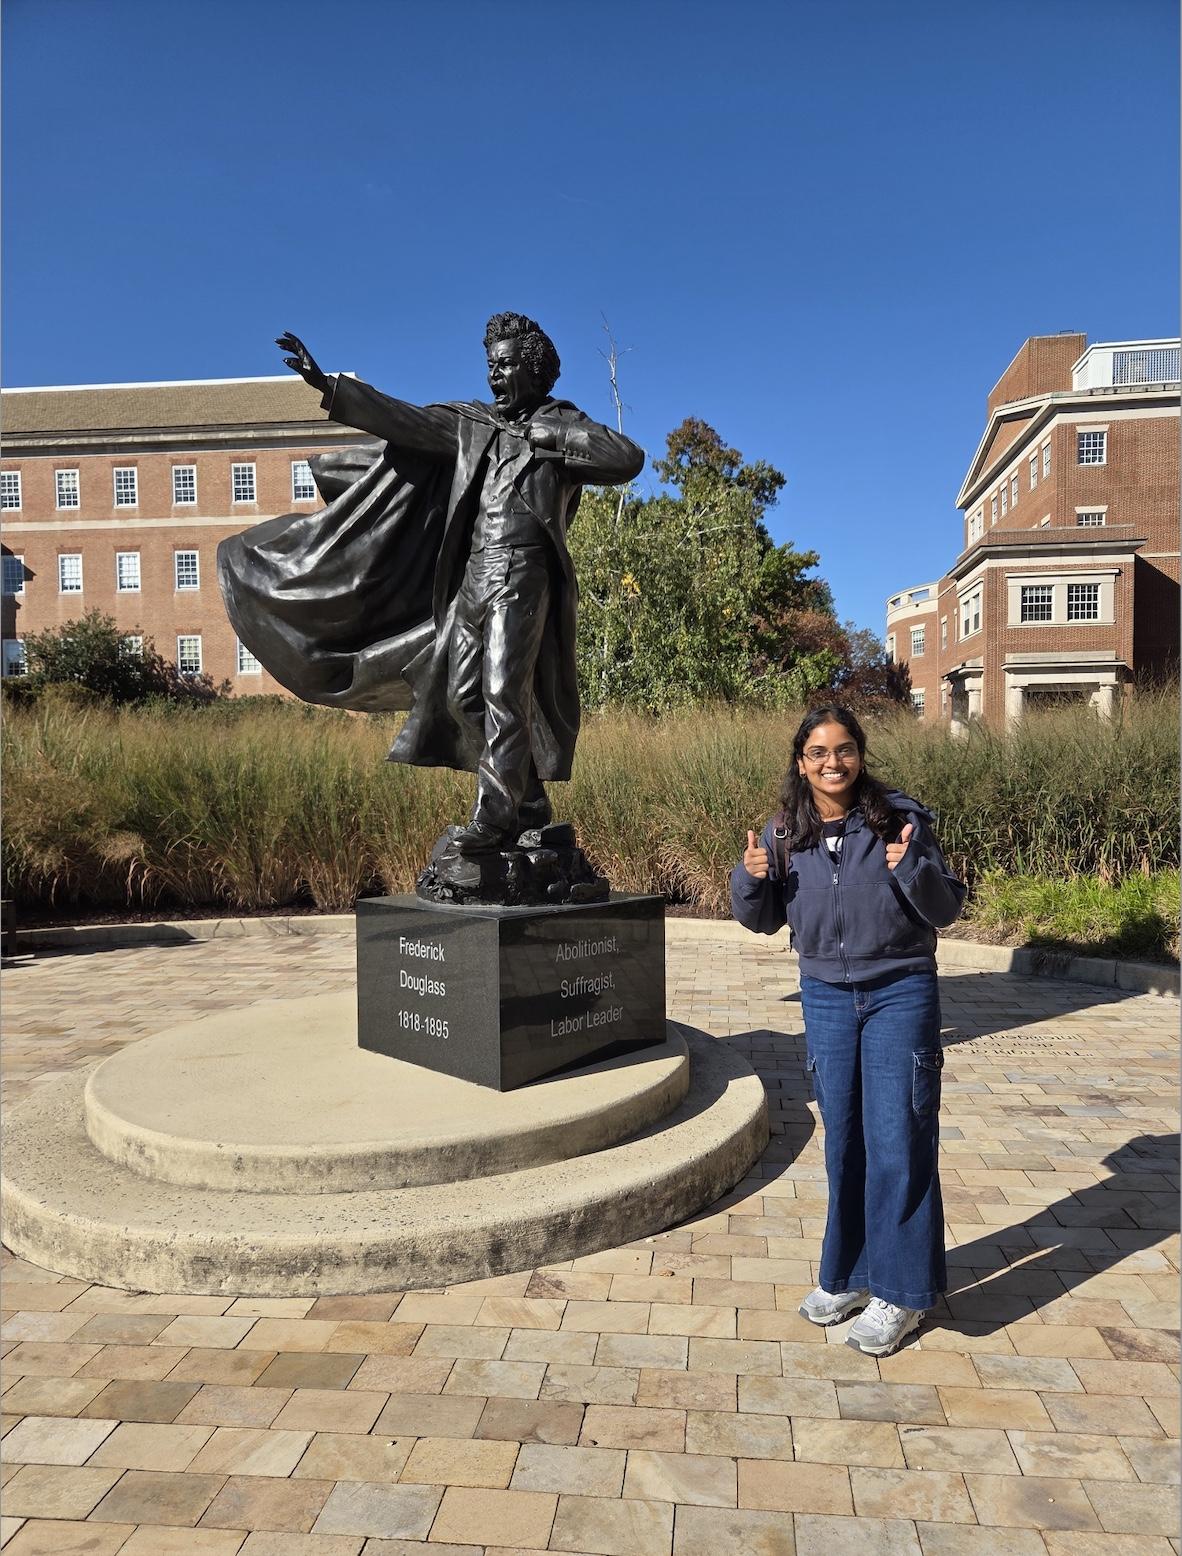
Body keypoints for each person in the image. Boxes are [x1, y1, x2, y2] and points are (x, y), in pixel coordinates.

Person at [220, 314, 644, 854]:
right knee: (462, 692)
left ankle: (493, 819)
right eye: (491, 364)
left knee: (503, 693)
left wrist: (552, 435)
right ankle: (529, 803)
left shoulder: (560, 425)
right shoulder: (474, 425)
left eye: (507, 364)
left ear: (534, 371)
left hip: (524, 576)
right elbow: (404, 421)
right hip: (472, 577)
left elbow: (625, 458)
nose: (495, 374)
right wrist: (332, 389)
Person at [730, 704, 966, 1356]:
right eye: (818, 753)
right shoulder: (785, 833)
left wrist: (911, 866)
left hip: (899, 994)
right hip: (826, 1000)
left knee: (899, 1141)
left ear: (859, 754)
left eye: (844, 750)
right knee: (845, 1143)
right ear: (800, 762)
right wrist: (749, 883)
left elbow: (946, 907)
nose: (832, 763)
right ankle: (850, 1276)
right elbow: (760, 920)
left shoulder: (901, 819)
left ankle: (903, 1292)